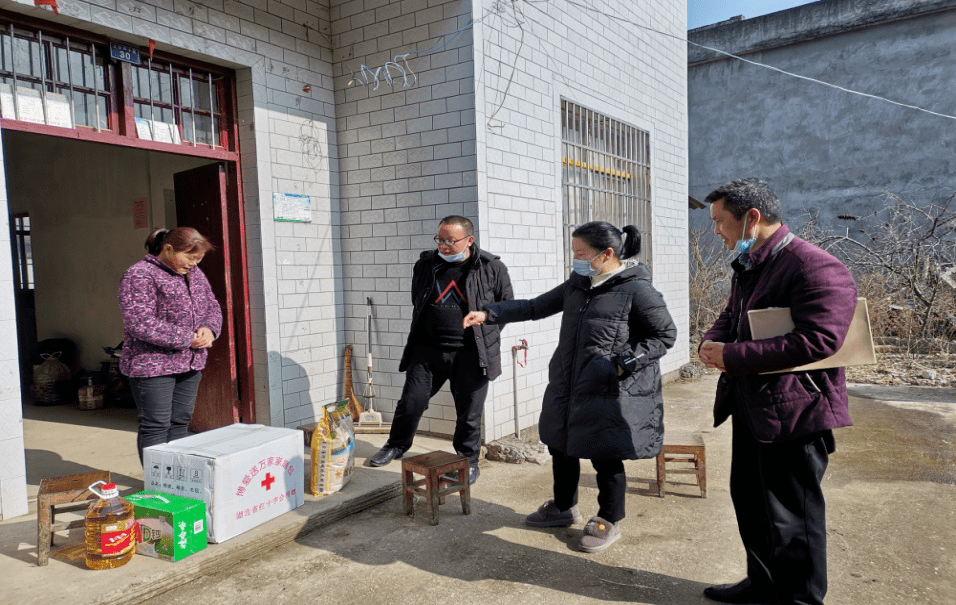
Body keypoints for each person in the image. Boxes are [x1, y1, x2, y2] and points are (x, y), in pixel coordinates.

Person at [463, 221, 676, 553]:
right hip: (567, 383)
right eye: (573, 252)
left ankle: (609, 518)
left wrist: (623, 362)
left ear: (606, 254)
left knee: (605, 457)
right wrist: (489, 313)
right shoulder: (579, 284)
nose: (574, 259)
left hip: (607, 388)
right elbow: (535, 307)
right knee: (560, 445)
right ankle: (564, 507)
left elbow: (664, 336)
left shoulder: (638, 290)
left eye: (580, 253)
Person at [698, 178, 857, 605]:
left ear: (752, 218)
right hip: (752, 405)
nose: (716, 232)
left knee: (792, 516)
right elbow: (730, 315)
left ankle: (800, 599)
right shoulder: (752, 264)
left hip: (796, 410)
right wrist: (711, 344)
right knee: (751, 502)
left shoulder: (814, 266)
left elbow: (820, 339)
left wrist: (734, 356)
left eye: (720, 222)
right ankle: (764, 583)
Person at [368, 215, 513, 484]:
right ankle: (396, 445)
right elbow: (418, 300)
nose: (443, 247)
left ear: (469, 240)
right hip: (428, 352)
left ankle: (468, 461)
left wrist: (483, 336)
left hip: (472, 353)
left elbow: (505, 307)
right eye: (440, 240)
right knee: (411, 402)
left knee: (469, 413)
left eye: (450, 241)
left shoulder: (491, 267)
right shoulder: (425, 264)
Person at [118, 227, 222, 463]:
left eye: (198, 260)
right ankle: (157, 486)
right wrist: (187, 338)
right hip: (152, 365)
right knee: (156, 425)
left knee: (180, 422)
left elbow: (212, 305)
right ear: (168, 249)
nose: (194, 264)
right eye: (190, 257)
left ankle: (176, 476)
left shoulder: (194, 274)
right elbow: (139, 321)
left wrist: (210, 329)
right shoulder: (140, 274)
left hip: (190, 362)